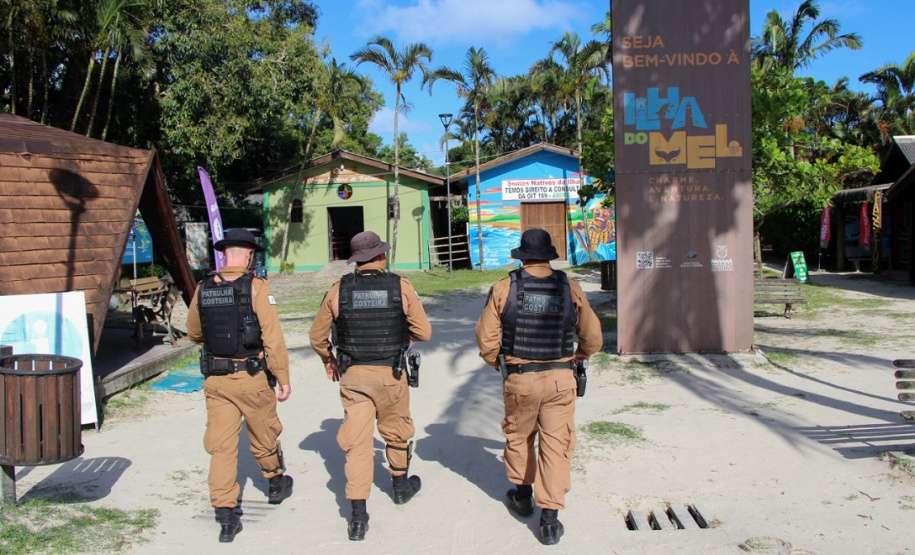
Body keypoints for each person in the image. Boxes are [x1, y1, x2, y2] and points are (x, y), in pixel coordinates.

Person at [474, 228, 603, 546]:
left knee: (519, 437)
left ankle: (522, 496)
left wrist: (501, 364)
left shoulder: (505, 287)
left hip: (520, 378)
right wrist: (582, 352)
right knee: (556, 444)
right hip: (561, 379)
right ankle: (549, 521)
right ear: (548, 256)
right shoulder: (568, 285)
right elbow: (593, 335)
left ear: (522, 256)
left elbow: (486, 338)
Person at [309, 230, 432, 541]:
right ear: (381, 256)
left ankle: (358, 516)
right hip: (390, 373)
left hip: (354, 376)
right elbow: (424, 333)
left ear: (356, 261)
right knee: (396, 430)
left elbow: (316, 336)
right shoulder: (400, 286)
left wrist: (329, 359)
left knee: (357, 444)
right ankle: (401, 487)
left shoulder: (339, 289)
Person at [186, 228, 293, 543]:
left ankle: (226, 517)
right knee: (264, 434)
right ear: (249, 254)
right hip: (251, 377)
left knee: (221, 448)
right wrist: (283, 378)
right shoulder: (257, 287)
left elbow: (193, 332)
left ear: (224, 254)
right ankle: (274, 483)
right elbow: (272, 338)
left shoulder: (202, 288)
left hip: (217, 380)